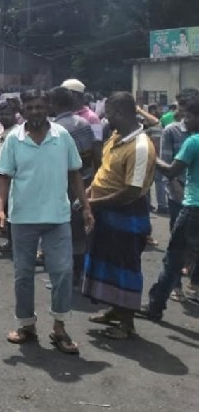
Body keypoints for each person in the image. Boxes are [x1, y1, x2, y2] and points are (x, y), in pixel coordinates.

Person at [0, 89, 93, 355]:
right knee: (23, 275)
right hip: (23, 217)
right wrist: (0, 210)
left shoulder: (62, 137)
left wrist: (85, 207)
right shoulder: (14, 139)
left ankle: (59, 327)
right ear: (23, 111)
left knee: (62, 272)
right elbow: (3, 176)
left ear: (47, 107)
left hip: (57, 217)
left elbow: (75, 174)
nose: (35, 111)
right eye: (31, 108)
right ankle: (26, 325)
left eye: (40, 107)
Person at [83, 92, 156, 340]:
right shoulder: (116, 137)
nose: (106, 118)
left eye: (110, 114)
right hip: (106, 212)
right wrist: (91, 190)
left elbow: (131, 191)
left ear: (122, 113)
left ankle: (127, 323)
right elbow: (105, 169)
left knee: (125, 266)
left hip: (126, 214)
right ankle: (115, 310)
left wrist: (93, 202)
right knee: (107, 263)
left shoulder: (141, 146)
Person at [140, 95, 199, 320]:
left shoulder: (193, 142)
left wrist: (151, 156)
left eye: (190, 116)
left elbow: (172, 170)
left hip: (193, 207)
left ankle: (155, 306)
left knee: (173, 259)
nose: (187, 121)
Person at [47, 86, 98, 287]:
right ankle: (78, 273)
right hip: (85, 180)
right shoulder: (84, 123)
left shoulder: (56, 129)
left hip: (64, 185)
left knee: (60, 231)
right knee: (78, 231)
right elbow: (93, 152)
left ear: (55, 104)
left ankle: (63, 274)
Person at [156, 89, 199, 301]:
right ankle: (177, 287)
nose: (183, 117)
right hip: (178, 196)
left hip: (192, 201)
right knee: (178, 246)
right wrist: (179, 195)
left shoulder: (193, 140)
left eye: (187, 113)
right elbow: (171, 175)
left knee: (179, 251)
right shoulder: (172, 131)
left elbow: (169, 167)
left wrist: (150, 156)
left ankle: (192, 284)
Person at [0, 102, 17, 253]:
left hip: (13, 177)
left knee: (13, 211)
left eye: (8, 114)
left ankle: (14, 243)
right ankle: (9, 241)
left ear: (15, 114)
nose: (4, 117)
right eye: (2, 114)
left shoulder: (19, 131)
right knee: (2, 209)